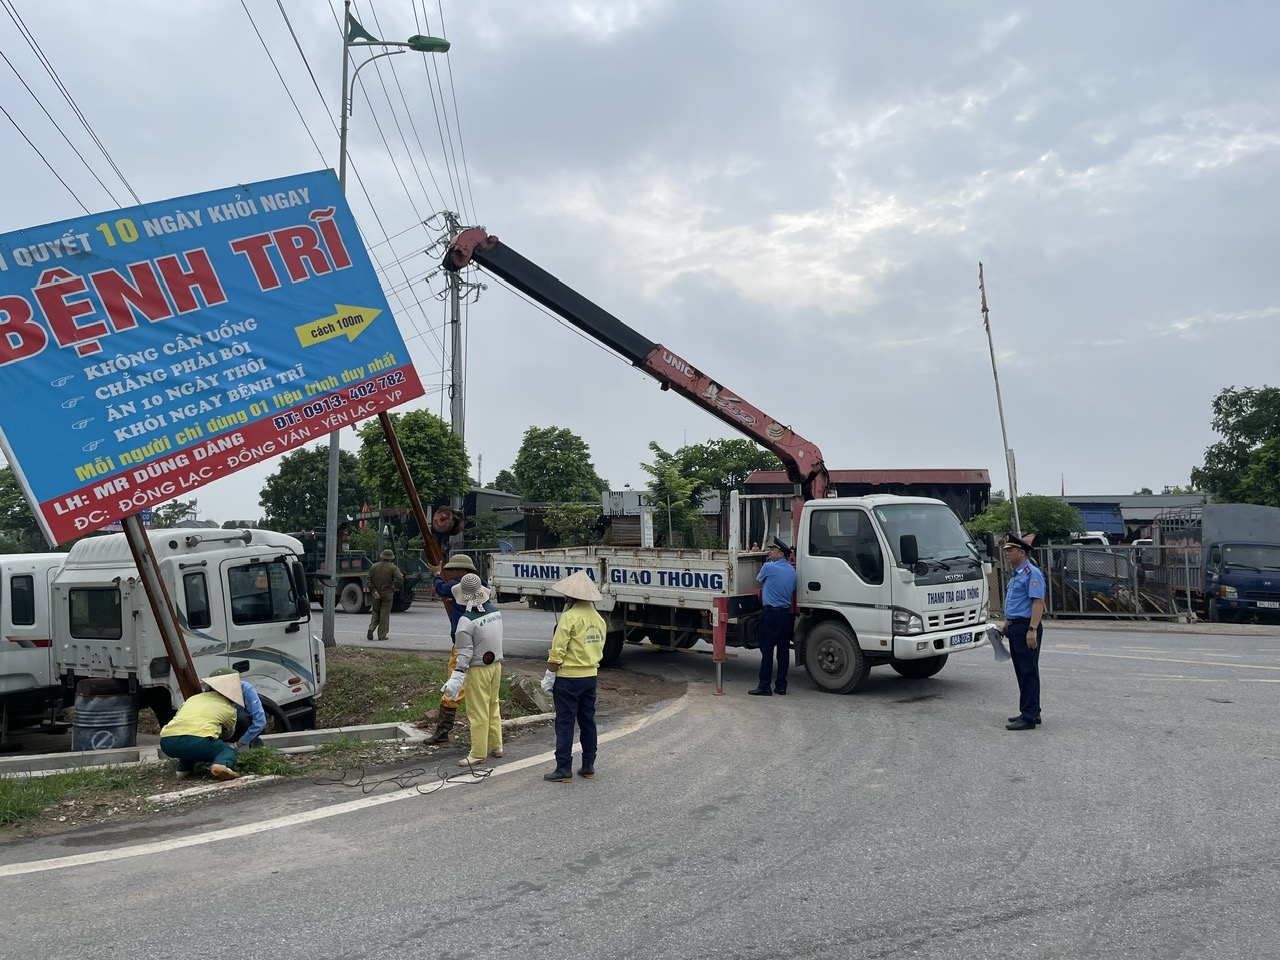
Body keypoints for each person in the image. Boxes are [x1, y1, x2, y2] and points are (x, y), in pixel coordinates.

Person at [541, 570, 606, 783]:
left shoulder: (569, 617)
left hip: (568, 678)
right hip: (590, 676)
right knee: (588, 720)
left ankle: (563, 768)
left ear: (571, 597)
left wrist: (550, 675)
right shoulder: (599, 619)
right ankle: (588, 765)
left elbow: (557, 650)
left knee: (565, 722)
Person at [441, 573, 504, 767]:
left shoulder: (466, 622)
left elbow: (465, 653)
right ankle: (496, 745)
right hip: (496, 667)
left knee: (477, 712)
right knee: (493, 706)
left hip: (478, 670)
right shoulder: (494, 612)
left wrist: (457, 675)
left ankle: (478, 753)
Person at [424, 554, 485, 744]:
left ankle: (442, 732)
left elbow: (441, 589)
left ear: (461, 571)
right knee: (481, 689)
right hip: (481, 645)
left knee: (454, 685)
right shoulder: (481, 586)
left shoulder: (457, 586)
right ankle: (490, 737)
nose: (449, 574)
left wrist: (436, 574)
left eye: (451, 571)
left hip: (462, 645)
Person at [159, 673, 246, 780]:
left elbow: (178, 715)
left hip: (167, 741)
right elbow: (229, 732)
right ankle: (221, 764)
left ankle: (182, 771)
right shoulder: (229, 709)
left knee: (190, 751)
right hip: (199, 741)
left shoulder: (193, 699)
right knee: (227, 750)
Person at [998, 532, 1045, 730]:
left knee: (1027, 671)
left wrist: (1032, 629)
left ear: (1022, 553)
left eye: (1010, 550)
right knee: (1024, 671)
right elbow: (1018, 603)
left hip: (1027, 627)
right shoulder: (1018, 574)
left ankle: (1028, 717)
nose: (1006, 553)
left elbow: (1037, 602)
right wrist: (1007, 623)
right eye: (1006, 550)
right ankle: (1032, 711)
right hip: (1017, 626)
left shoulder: (1031, 573)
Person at [750, 536, 797, 696]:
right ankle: (781, 686)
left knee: (767, 652)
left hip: (770, 614)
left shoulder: (768, 567)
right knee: (783, 652)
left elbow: (758, 580)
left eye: (773, 550)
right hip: (785, 615)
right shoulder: (792, 571)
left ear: (781, 554)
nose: (770, 552)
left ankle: (764, 686)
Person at [207, 666, 267, 749]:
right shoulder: (209, 693)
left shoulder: (245, 688)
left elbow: (260, 720)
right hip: (221, 731)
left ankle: (253, 742)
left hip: (241, 728)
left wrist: (239, 744)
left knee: (241, 717)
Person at [365, 548, 404, 642]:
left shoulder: (374, 567)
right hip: (387, 594)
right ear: (391, 558)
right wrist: (395, 587)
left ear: (382, 557)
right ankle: (382, 635)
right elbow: (400, 578)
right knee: (384, 615)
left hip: (376, 594)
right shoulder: (392, 567)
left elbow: (368, 580)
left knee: (375, 612)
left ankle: (371, 628)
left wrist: (374, 591)